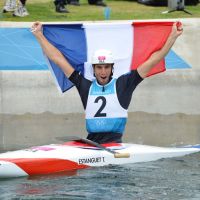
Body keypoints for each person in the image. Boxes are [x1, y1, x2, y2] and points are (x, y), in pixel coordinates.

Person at [31, 21, 183, 144]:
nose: (103, 72)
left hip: (114, 146)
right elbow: (58, 59)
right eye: (99, 67)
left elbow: (154, 59)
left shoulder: (125, 84)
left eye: (106, 67)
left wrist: (172, 37)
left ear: (112, 69)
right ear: (94, 69)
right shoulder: (85, 85)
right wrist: (39, 35)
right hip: (90, 145)